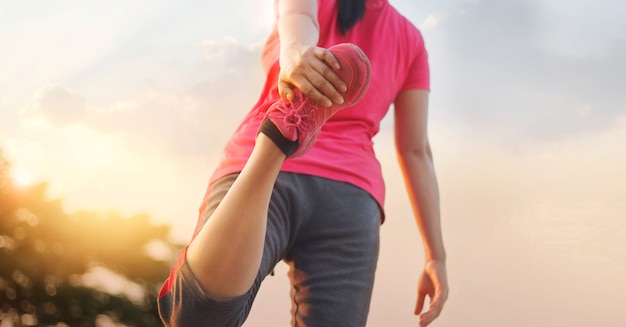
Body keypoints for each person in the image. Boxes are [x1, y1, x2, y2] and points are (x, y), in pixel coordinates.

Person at [157, 0, 448, 326]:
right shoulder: (411, 39)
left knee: (195, 318)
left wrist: (295, 51)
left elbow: (298, 17)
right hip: (350, 191)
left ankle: (277, 139)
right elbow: (415, 150)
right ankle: (280, 139)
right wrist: (435, 256)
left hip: (262, 170)